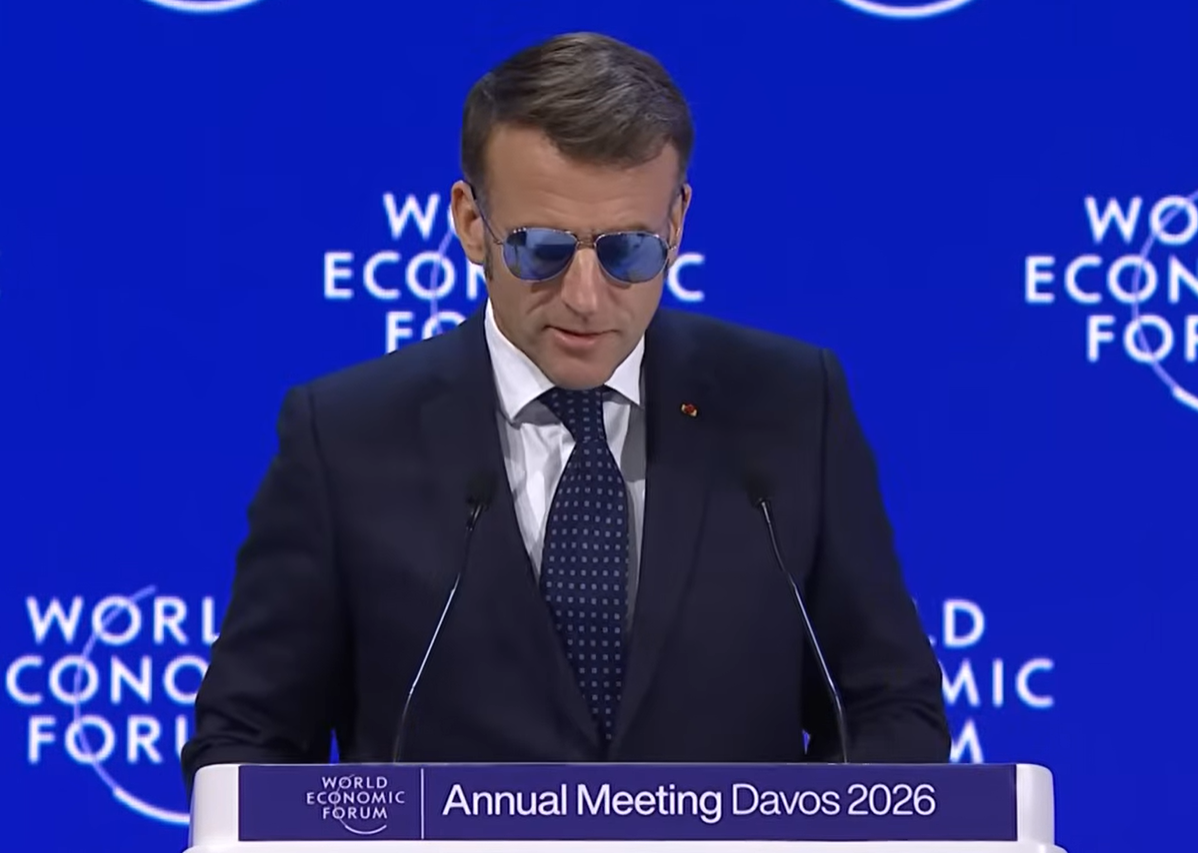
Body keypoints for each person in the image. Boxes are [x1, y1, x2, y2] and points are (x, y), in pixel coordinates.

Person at [181, 31, 949, 796]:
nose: (585, 297)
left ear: (677, 223)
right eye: (542, 249)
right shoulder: (344, 435)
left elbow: (890, 708)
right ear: (472, 223)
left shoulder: (791, 405)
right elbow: (248, 737)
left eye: (628, 250)